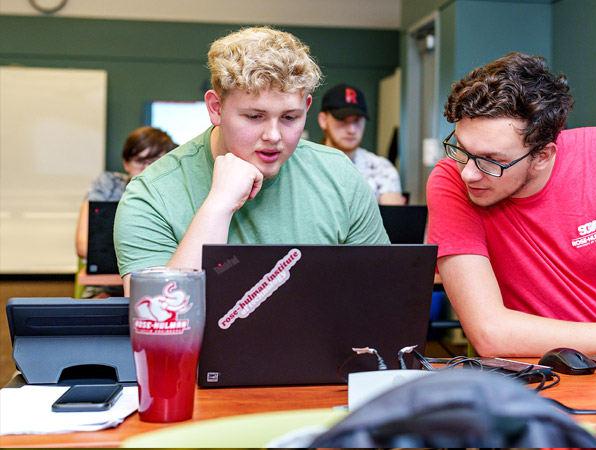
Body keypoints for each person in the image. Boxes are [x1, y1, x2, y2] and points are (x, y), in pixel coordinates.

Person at [426, 52, 596, 357]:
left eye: (492, 160)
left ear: (542, 157)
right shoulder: (449, 179)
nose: (469, 173)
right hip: (531, 370)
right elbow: (490, 334)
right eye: (461, 149)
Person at [114, 26, 389, 295]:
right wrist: (218, 206)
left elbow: (382, 293)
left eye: (289, 118)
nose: (273, 136)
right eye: (254, 117)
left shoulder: (338, 174)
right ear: (216, 108)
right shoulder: (151, 194)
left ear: (306, 108)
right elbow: (162, 319)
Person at [75, 126, 177, 298]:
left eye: (155, 161)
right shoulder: (108, 184)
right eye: (140, 161)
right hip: (107, 289)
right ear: (126, 163)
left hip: (161, 288)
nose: (147, 169)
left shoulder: (175, 193)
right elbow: (83, 246)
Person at [318, 83, 405, 205]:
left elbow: (394, 222)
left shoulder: (381, 169)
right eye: (342, 119)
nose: (352, 130)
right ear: (323, 120)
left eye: (357, 120)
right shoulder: (307, 165)